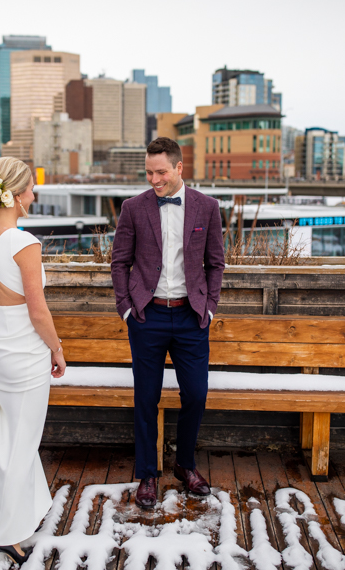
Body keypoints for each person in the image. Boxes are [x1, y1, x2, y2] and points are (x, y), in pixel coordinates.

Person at [110, 137, 225, 509]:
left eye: (161, 172)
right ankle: (147, 474)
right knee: (146, 398)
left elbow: (215, 263)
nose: (154, 180)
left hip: (192, 317)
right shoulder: (133, 207)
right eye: (149, 172)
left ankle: (186, 465)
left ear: (179, 168)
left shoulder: (207, 208)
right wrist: (127, 308)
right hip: (148, 315)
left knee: (196, 395)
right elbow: (119, 262)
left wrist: (208, 308)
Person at [0, 157, 66, 566]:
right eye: (30, 188)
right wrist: (57, 350)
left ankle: (24, 510)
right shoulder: (23, 242)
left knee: (5, 438)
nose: (34, 195)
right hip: (24, 352)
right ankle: (7, 536)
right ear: (16, 193)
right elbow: (38, 311)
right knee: (21, 444)